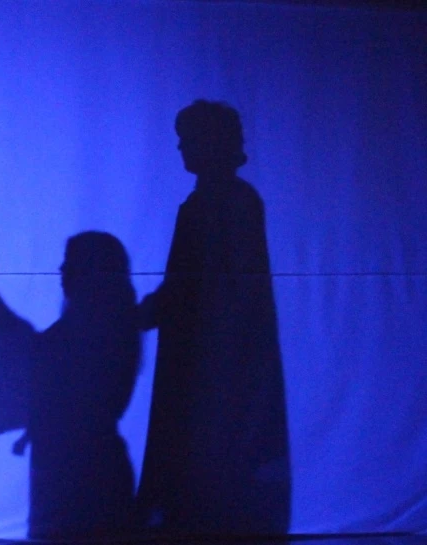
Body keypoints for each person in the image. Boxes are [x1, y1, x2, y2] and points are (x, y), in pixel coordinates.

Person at [136, 100, 291, 535]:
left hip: (213, 368)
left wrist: (148, 313)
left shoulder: (224, 203)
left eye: (187, 138)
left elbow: (212, 288)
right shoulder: (218, 202)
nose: (181, 148)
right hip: (207, 364)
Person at [0, 232, 140, 538]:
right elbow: (37, 360)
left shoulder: (99, 333)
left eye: (71, 263)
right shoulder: (110, 327)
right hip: (73, 477)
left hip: (82, 484)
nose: (62, 270)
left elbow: (39, 364)